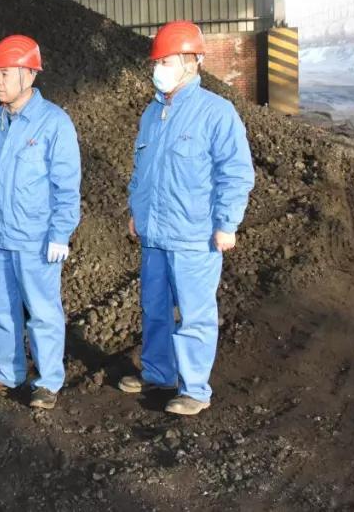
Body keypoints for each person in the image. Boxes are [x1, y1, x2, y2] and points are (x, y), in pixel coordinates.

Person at [119, 20, 255, 416]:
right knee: (154, 308)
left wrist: (227, 223)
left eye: (165, 61)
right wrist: (136, 211)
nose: (157, 68)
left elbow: (236, 172)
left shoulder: (216, 112)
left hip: (194, 235)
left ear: (191, 62)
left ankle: (194, 389)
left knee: (195, 315)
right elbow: (141, 170)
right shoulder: (152, 113)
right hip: (154, 234)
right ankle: (158, 372)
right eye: (156, 62)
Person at [0, 35, 81, 410]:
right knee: (2, 310)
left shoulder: (54, 123)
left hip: (36, 239)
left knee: (43, 313)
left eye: (5, 73)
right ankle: (6, 372)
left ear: (29, 75)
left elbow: (67, 185)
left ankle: (48, 382)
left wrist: (61, 232)